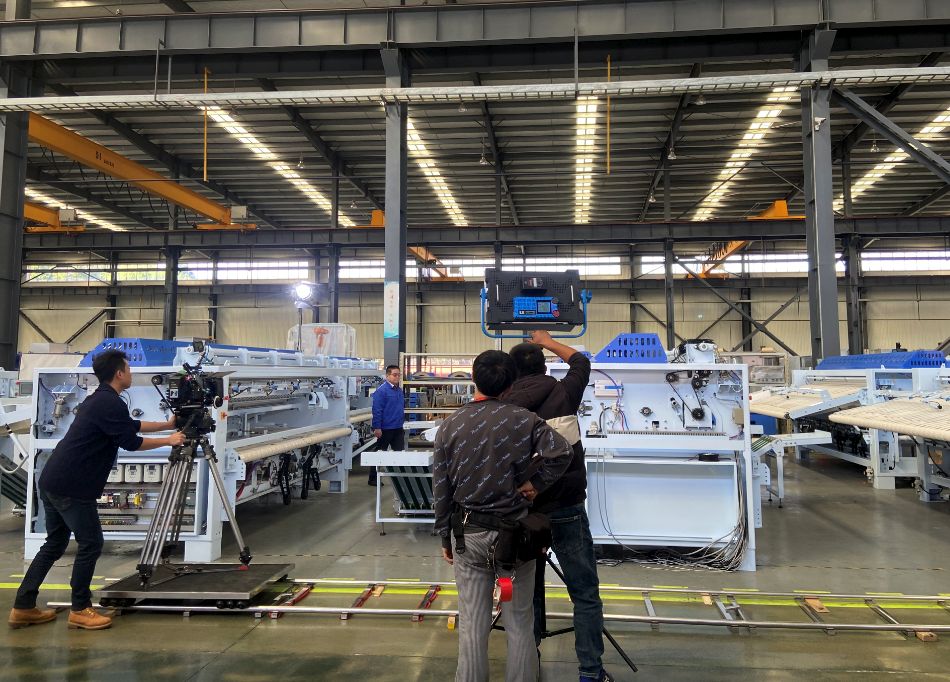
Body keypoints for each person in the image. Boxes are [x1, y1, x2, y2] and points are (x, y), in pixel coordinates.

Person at [9, 349, 186, 631]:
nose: (130, 373)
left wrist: (166, 425)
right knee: (91, 544)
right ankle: (80, 609)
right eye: (128, 368)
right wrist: (169, 440)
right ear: (119, 373)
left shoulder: (100, 399)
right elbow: (131, 441)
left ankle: (23, 606)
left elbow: (130, 426)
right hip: (73, 486)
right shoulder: (109, 402)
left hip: (54, 480)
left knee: (54, 544)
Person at [434, 350, 573, 682]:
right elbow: (562, 452)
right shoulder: (526, 420)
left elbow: (441, 488)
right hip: (517, 537)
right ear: (511, 385)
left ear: (473, 378)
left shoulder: (450, 425)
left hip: (470, 534)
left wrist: (444, 537)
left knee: (473, 624)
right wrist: (535, 485)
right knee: (520, 622)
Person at [504, 330, 611, 682]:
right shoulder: (564, 392)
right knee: (584, 591)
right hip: (567, 505)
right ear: (544, 366)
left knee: (528, 590)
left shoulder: (505, 404)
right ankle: (590, 670)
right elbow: (581, 361)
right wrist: (548, 341)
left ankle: (528, 662)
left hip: (526, 510)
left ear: (512, 372)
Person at [368, 364, 404, 486]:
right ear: (388, 376)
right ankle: (373, 478)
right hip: (386, 428)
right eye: (395, 375)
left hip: (398, 428)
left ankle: (400, 478)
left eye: (399, 375)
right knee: (379, 453)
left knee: (399, 453)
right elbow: (377, 410)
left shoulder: (399, 390)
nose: (397, 377)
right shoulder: (382, 391)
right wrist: (377, 427)